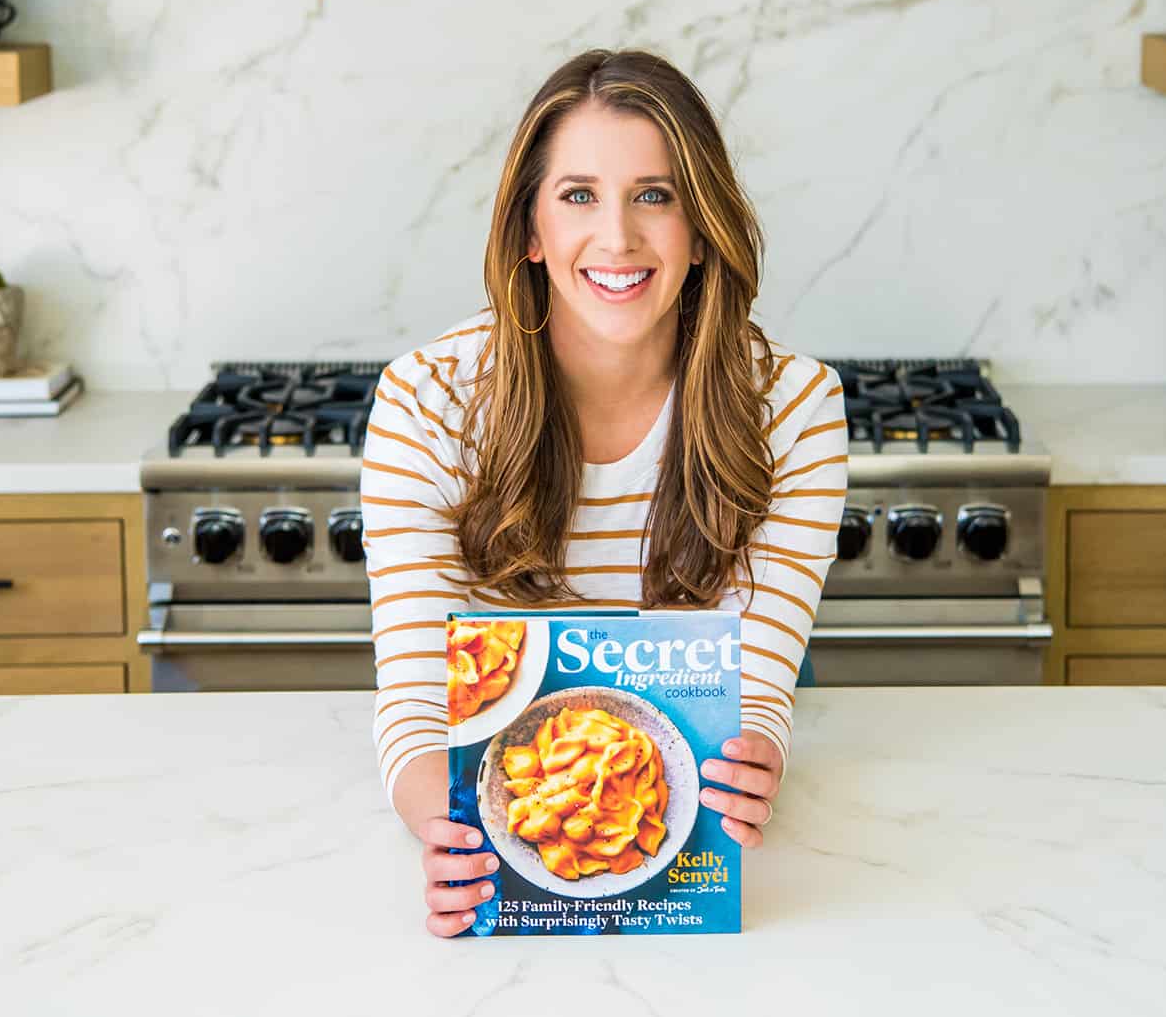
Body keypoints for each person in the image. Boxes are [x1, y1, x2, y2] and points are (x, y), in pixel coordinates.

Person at [361, 48, 848, 937]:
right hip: (501, 810)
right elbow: (416, 702)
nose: (618, 238)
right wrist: (455, 839)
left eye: (655, 195)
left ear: (702, 230)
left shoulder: (796, 409)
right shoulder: (423, 402)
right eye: (579, 195)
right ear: (531, 233)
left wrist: (755, 766)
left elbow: (756, 698)